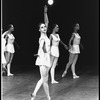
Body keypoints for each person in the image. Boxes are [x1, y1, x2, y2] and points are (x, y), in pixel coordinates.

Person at [31, 5, 51, 100]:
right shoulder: (42, 38)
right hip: (43, 59)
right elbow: (42, 47)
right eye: (42, 27)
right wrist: (45, 52)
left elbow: (47, 22)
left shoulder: (45, 35)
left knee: (46, 80)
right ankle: (34, 94)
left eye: (44, 27)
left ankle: (48, 97)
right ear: (39, 29)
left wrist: (45, 13)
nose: (44, 28)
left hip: (46, 58)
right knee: (43, 79)